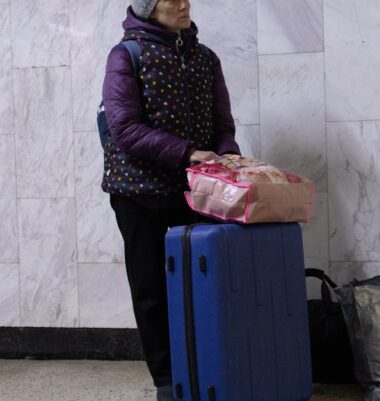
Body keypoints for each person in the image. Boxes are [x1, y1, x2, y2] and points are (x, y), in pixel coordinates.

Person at [101, 1, 239, 400]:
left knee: (204, 284)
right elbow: (124, 128)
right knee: (151, 291)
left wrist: (227, 153)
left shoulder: (205, 58)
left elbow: (222, 124)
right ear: (148, 8)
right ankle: (167, 381)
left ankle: (208, 367)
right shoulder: (126, 55)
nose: (182, 4)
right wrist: (187, 152)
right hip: (137, 191)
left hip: (193, 190)